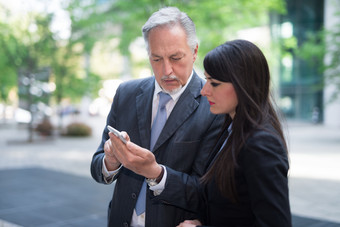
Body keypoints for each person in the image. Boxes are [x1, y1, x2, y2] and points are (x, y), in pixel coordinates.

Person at [115, 39, 292, 226]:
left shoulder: (261, 144)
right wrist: (155, 172)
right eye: (206, 80)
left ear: (244, 85)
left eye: (214, 83)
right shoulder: (231, 129)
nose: (204, 90)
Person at [90, 7, 223, 227]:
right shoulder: (126, 93)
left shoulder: (214, 106)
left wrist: (157, 174)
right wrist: (110, 162)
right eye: (156, 59)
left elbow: (208, 193)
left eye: (175, 57)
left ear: (195, 51)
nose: (166, 70)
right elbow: (97, 167)